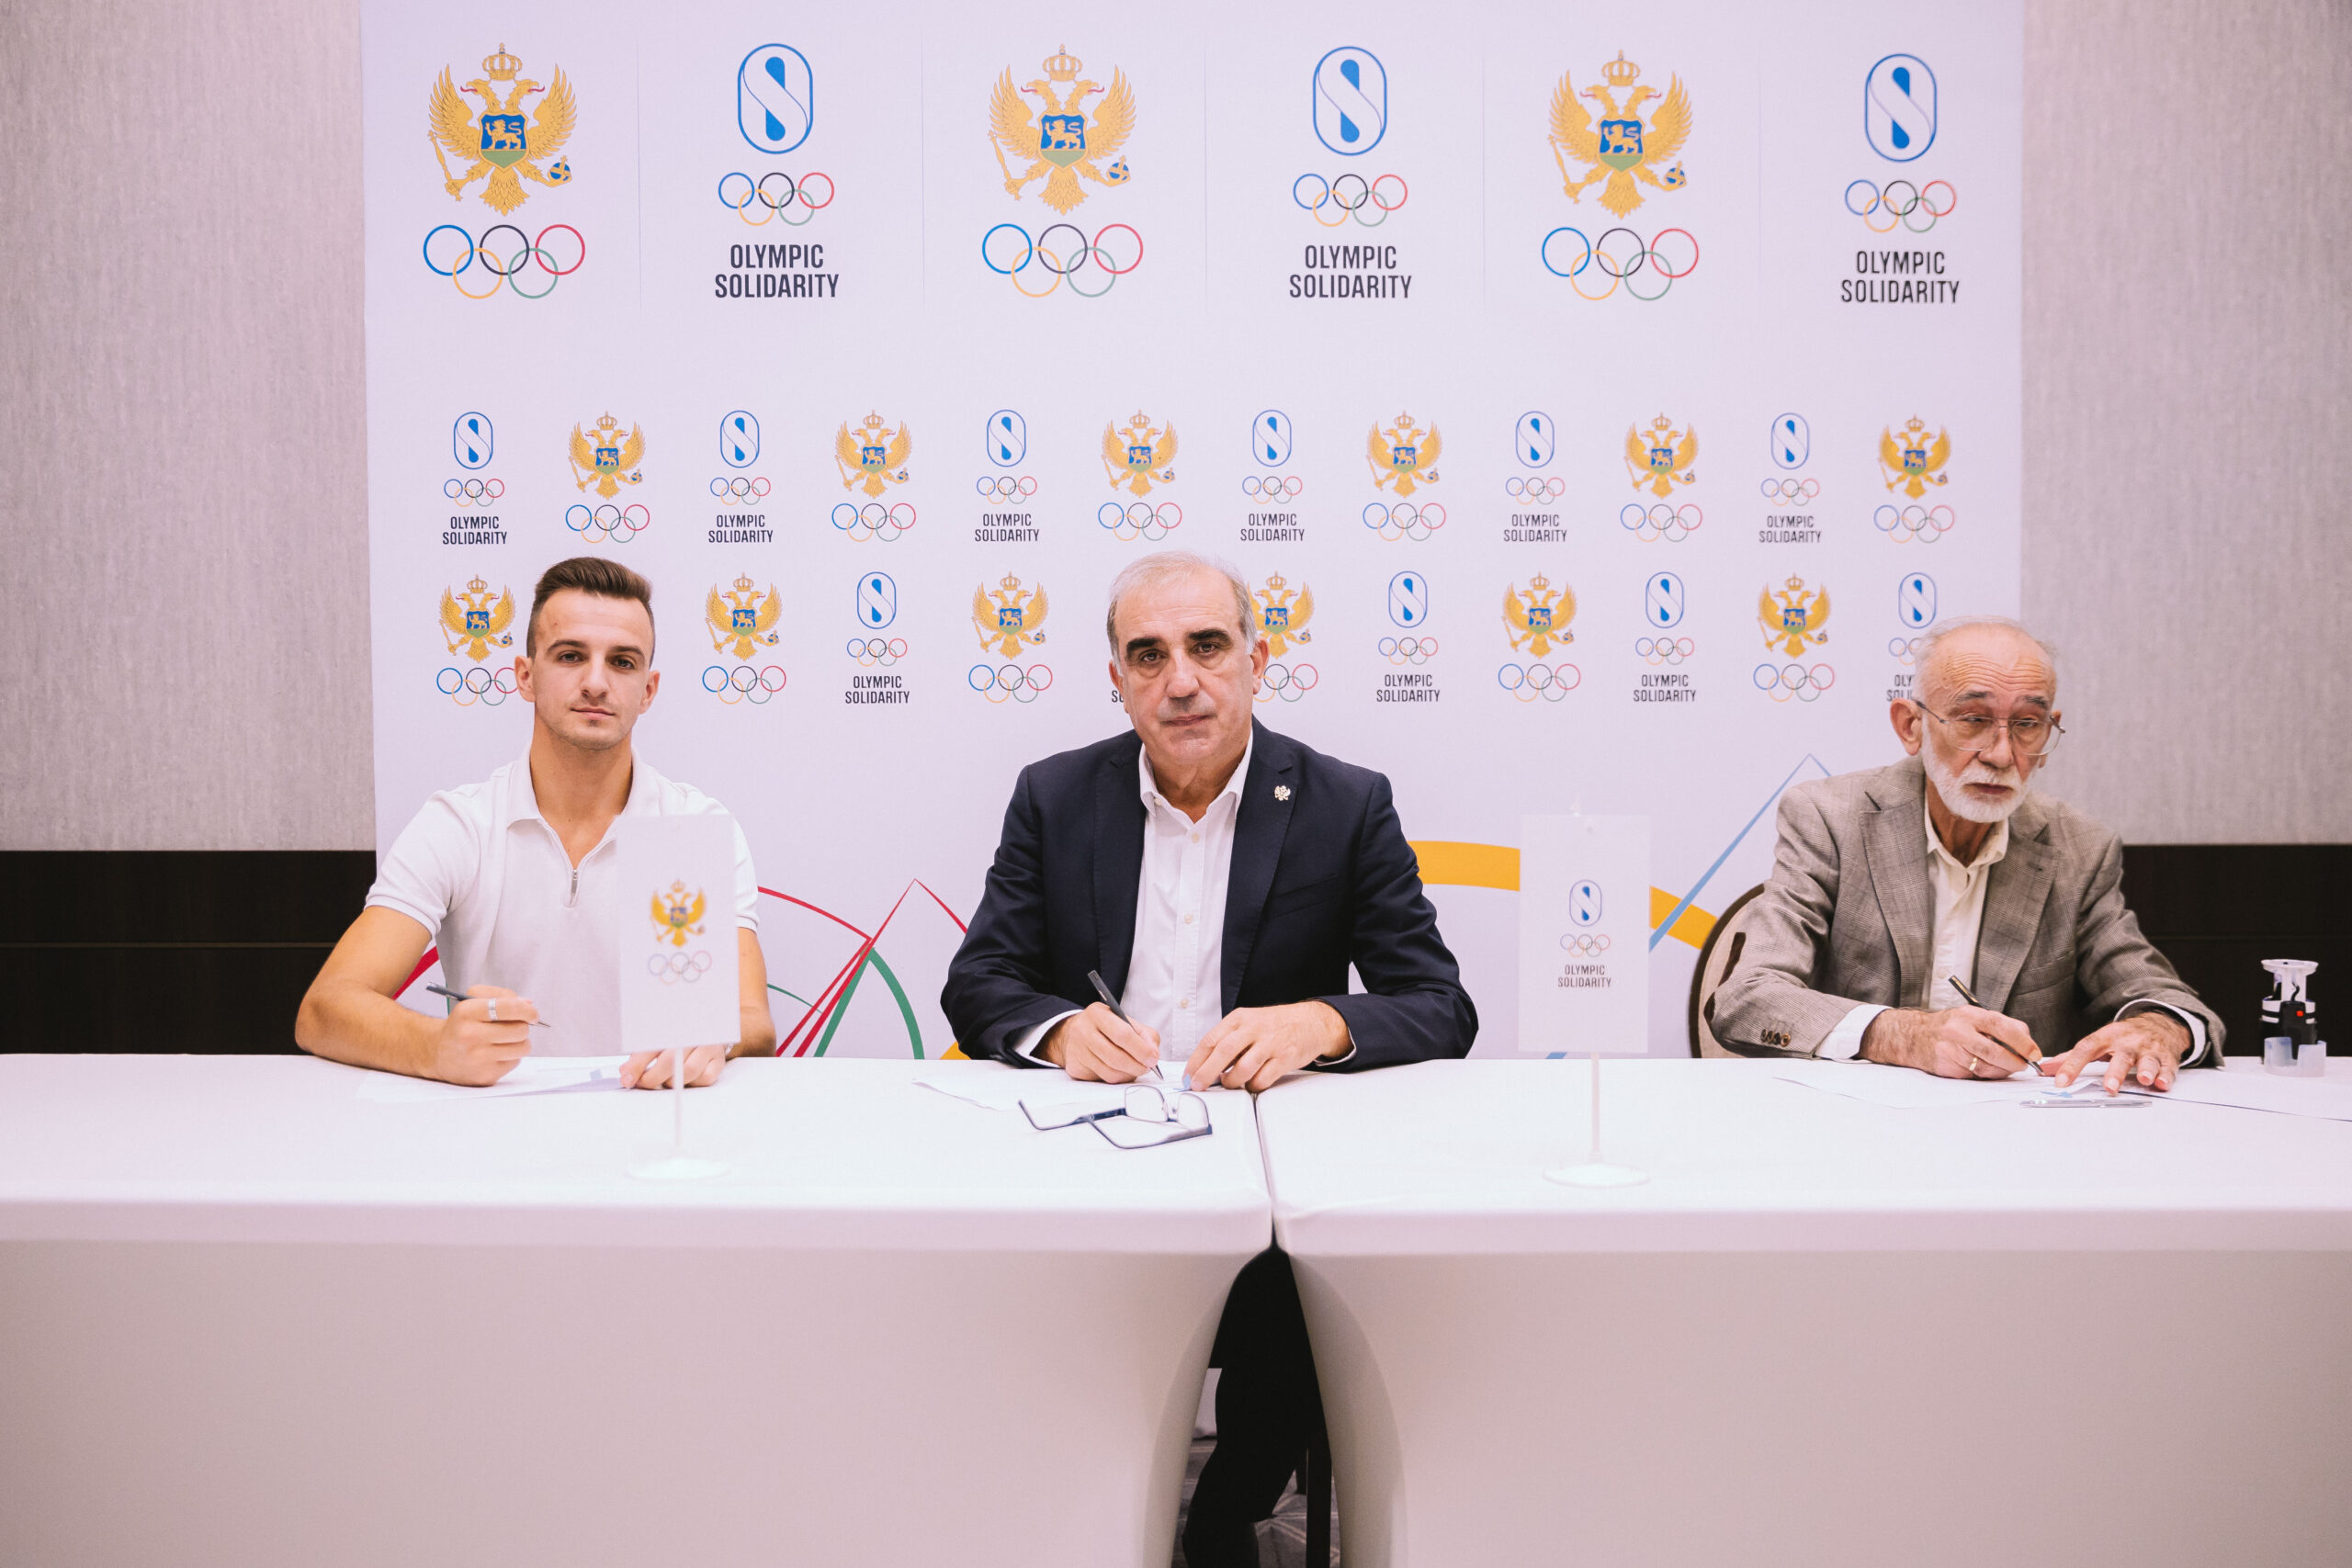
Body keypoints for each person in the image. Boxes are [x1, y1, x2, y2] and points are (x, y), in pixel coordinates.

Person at [941, 550, 1476, 1566]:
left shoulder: (1344, 803)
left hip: (1268, 1178)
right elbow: (979, 983)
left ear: (1256, 661)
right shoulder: (1055, 797)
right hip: (1098, 1159)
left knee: (1301, 1280)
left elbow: (1439, 1004)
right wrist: (1059, 1031)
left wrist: (1317, 1023)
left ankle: (1224, 1514)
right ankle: (1070, 1516)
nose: (1180, 680)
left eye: (1207, 647)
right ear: (1116, 678)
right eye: (1148, 656)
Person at [297, 557, 775, 1087]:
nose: (596, 683)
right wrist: (434, 1047)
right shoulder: (461, 825)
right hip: (497, 1124)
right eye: (571, 656)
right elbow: (325, 1008)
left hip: (654, 1115)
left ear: (648, 690)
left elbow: (754, 1021)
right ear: (525, 676)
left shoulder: (694, 825)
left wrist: (715, 1035)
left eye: (622, 662)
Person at [1711, 616, 2220, 1089]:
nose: (2001, 754)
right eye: (1973, 719)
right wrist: (1904, 1035)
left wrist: (2159, 1028)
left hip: (2013, 1132)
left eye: (2027, 724)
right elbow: (1747, 997)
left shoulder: (2080, 848)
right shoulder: (1830, 818)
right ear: (1911, 726)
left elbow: (2161, 995)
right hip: (1852, 1118)